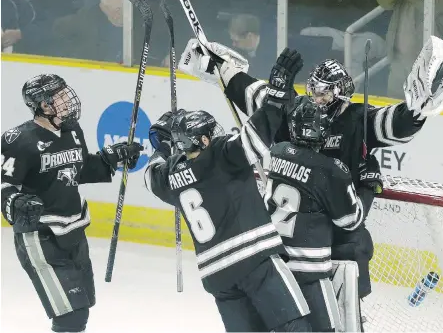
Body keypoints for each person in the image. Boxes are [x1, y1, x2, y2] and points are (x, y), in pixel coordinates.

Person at [177, 36, 442, 329]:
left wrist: (415, 113)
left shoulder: (355, 119)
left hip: (320, 225)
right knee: (346, 253)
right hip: (311, 231)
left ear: (341, 96)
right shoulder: (299, 111)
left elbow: (395, 123)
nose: (316, 100)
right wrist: (223, 70)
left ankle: (346, 309)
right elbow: (255, 95)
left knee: (353, 249)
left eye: (325, 95)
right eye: (314, 91)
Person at [145, 49, 312, 332]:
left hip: (216, 275)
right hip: (254, 261)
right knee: (294, 327)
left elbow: (150, 176)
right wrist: (277, 92)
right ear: (206, 139)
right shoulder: (222, 154)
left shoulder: (171, 172)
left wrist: (161, 148)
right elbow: (259, 133)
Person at [1, 74, 143, 333]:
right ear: (43, 105)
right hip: (40, 238)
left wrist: (111, 158)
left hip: (74, 232)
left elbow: (79, 169)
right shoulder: (18, 140)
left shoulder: (72, 130)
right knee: (70, 317)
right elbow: (4, 186)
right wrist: (17, 201)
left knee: (81, 310)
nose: (68, 100)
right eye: (60, 96)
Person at [265, 101, 378, 332]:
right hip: (309, 272)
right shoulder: (331, 170)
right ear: (323, 132)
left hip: (273, 266)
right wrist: (368, 186)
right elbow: (350, 221)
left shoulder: (276, 152)